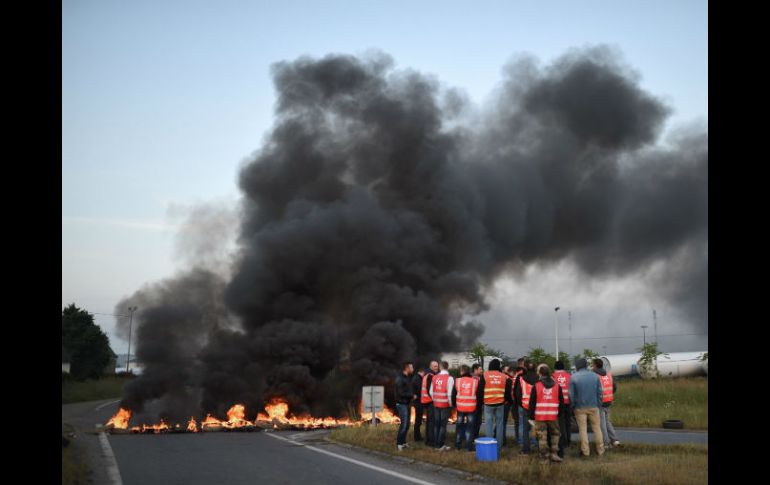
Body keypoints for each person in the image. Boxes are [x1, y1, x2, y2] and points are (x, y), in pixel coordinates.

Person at [528, 364, 564, 464]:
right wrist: (559, 414)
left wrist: (531, 416)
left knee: (542, 437)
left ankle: (544, 458)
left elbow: (532, 403)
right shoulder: (557, 386)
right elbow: (561, 402)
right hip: (553, 415)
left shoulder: (536, 386)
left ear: (539, 373)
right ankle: (554, 454)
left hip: (540, 415)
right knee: (555, 434)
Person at [569, 358, 604, 457]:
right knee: (597, 428)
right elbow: (600, 392)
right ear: (586, 365)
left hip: (579, 408)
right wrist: (598, 404)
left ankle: (585, 452)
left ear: (577, 366)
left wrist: (573, 406)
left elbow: (571, 395)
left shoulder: (573, 377)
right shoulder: (595, 376)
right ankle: (600, 450)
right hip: (594, 406)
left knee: (582, 429)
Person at [481, 359, 511, 452]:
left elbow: (480, 390)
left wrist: (482, 401)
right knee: (500, 425)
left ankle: (489, 446)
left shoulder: (485, 375)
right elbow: (507, 391)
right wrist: (506, 400)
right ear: (498, 366)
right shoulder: (504, 376)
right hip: (500, 404)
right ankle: (499, 447)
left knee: (489, 425)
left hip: (488, 404)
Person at [593, 358, 620, 448]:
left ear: (596, 365)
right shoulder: (608, 375)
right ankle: (615, 440)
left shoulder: (596, 376)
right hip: (609, 400)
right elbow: (614, 387)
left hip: (601, 402)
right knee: (607, 422)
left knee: (602, 424)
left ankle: (606, 443)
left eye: (593, 365)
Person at [514, 360, 539, 455]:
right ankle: (537, 446)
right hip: (537, 407)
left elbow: (518, 394)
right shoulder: (539, 379)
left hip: (525, 406)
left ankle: (525, 449)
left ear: (525, 368)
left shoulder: (522, 379)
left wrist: (521, 404)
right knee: (537, 427)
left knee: (525, 428)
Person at [429, 361, 454, 451]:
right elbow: (450, 394)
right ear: (447, 367)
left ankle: (436, 444)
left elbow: (431, 392)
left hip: (436, 404)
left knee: (437, 424)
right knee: (443, 425)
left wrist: (435, 400)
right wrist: (450, 404)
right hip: (445, 404)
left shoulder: (435, 377)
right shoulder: (450, 378)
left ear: (440, 367)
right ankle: (440, 445)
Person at [452, 364, 478, 451]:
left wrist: (454, 405)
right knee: (469, 427)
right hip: (471, 407)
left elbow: (453, 394)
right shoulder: (475, 381)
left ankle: (457, 445)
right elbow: (478, 394)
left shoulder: (457, 381)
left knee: (459, 426)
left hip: (460, 407)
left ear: (462, 371)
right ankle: (468, 447)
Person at [552, 360, 572, 458]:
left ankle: (562, 442)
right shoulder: (569, 376)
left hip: (558, 404)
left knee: (560, 424)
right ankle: (568, 440)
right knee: (568, 423)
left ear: (555, 367)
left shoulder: (552, 376)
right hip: (568, 402)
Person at [395, 361, 414, 451]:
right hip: (402, 404)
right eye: (411, 367)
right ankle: (399, 443)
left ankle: (403, 442)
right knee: (404, 424)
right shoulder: (400, 379)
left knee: (407, 425)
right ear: (407, 368)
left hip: (407, 404)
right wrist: (411, 395)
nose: (412, 369)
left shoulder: (408, 378)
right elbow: (400, 393)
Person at [420, 361, 439, 446]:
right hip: (431, 402)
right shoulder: (431, 376)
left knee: (429, 422)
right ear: (431, 366)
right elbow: (430, 390)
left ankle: (428, 440)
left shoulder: (426, 374)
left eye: (437, 366)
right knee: (431, 423)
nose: (436, 368)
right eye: (435, 366)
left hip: (427, 401)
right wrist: (435, 399)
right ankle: (431, 441)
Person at [471, 363, 484, 441]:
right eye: (480, 369)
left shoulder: (480, 378)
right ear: (475, 370)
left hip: (478, 404)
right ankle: (473, 438)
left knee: (478, 422)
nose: (482, 370)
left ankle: (475, 437)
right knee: (474, 422)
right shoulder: (473, 379)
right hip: (474, 404)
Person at [412, 368, 425, 441]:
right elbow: (420, 390)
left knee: (418, 420)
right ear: (422, 372)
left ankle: (417, 436)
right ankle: (417, 437)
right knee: (418, 421)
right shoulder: (417, 379)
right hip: (418, 402)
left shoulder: (416, 378)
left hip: (418, 401)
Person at [501, 365, 513, 446]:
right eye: (507, 370)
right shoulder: (508, 379)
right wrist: (510, 401)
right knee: (503, 422)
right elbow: (508, 393)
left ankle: (497, 436)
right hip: (505, 403)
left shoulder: (500, 378)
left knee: (500, 422)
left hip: (499, 402)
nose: (508, 371)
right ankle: (502, 440)